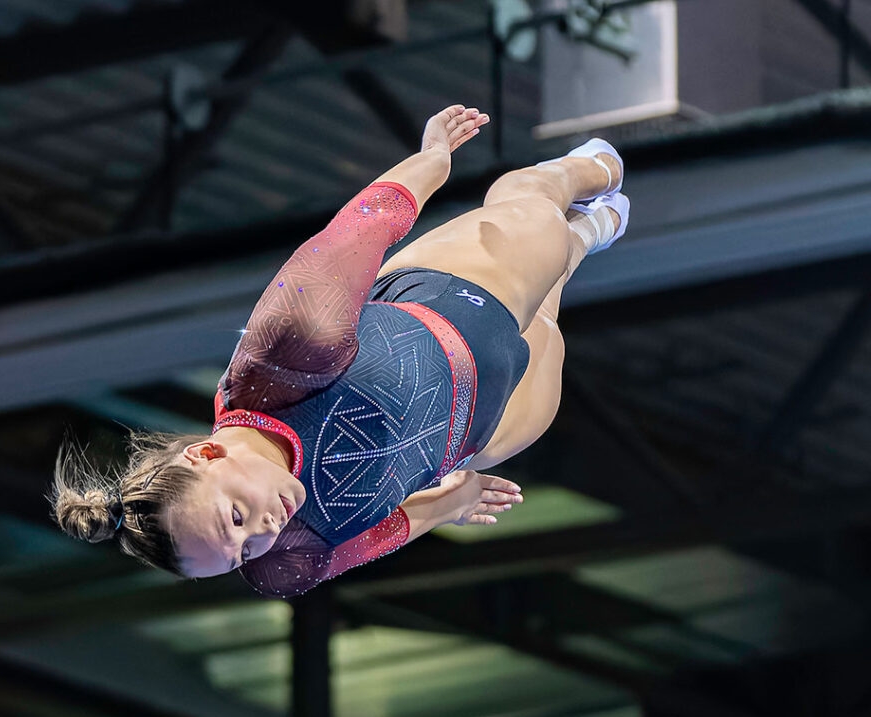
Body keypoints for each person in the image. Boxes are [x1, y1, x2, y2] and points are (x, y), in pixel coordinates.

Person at [52, 104, 629, 598]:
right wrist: (451, 505)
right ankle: (582, 239)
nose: (264, 531)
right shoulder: (284, 563)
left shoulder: (279, 364)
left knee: (537, 212)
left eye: (236, 517)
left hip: (460, 301)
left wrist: (432, 159)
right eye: (242, 553)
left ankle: (568, 178)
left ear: (205, 455)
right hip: (484, 428)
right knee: (549, 304)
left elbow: (358, 231)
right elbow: (383, 533)